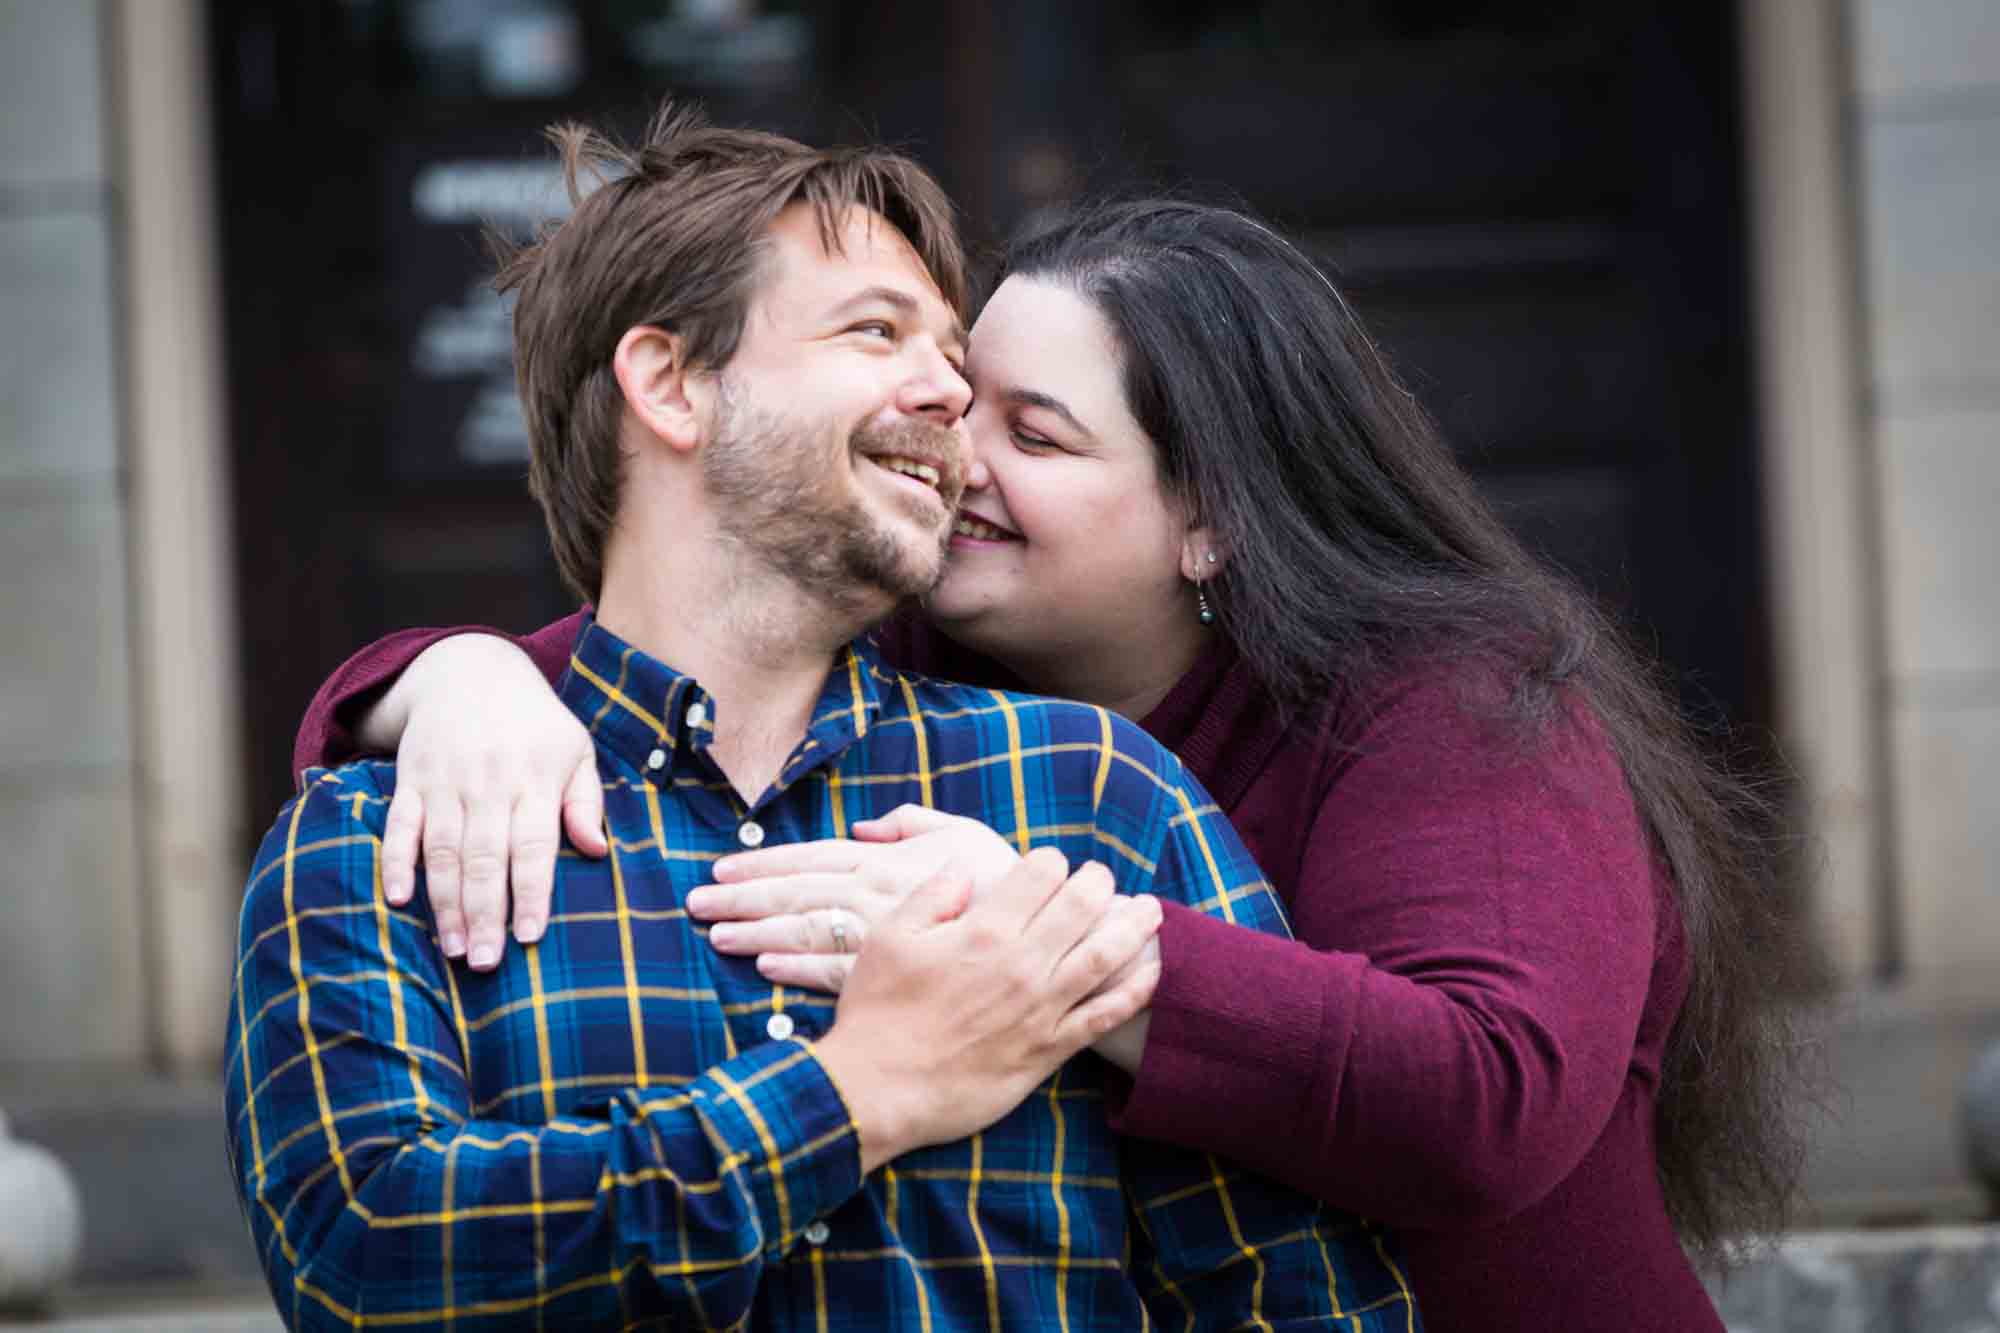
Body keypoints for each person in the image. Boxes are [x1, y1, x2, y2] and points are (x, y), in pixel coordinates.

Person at [298, 198, 1805, 1331]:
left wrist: (1058, 947)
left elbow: (1484, 1094)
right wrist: (451, 677)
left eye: (1036, 433)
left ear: (1211, 516)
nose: (958, 460)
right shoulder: (930, 677)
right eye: (959, 402)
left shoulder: (1452, 705)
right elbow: (644, 671)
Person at [227, 108, 1420, 1332]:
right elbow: (362, 1267)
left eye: (950, 353)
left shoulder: (1093, 795)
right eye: (876, 331)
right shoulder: (384, 846)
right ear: (670, 383)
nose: (950, 393)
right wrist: (857, 1091)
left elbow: (1304, 1301)